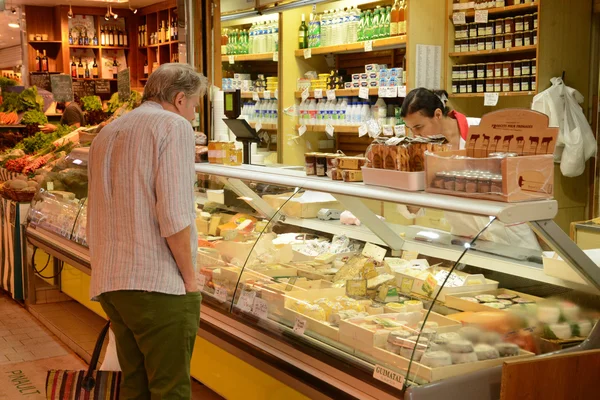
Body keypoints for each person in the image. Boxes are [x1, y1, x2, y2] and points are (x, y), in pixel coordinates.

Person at [87, 63, 208, 399]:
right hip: (157, 286)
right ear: (180, 99)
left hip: (112, 282)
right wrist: (190, 279)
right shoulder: (173, 127)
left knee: (134, 384)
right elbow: (174, 214)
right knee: (170, 388)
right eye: (195, 105)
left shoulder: (109, 131)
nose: (194, 115)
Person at [400, 88, 480, 149]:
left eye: (418, 127)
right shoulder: (419, 147)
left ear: (438, 114)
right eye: (410, 129)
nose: (415, 136)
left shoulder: (481, 127)